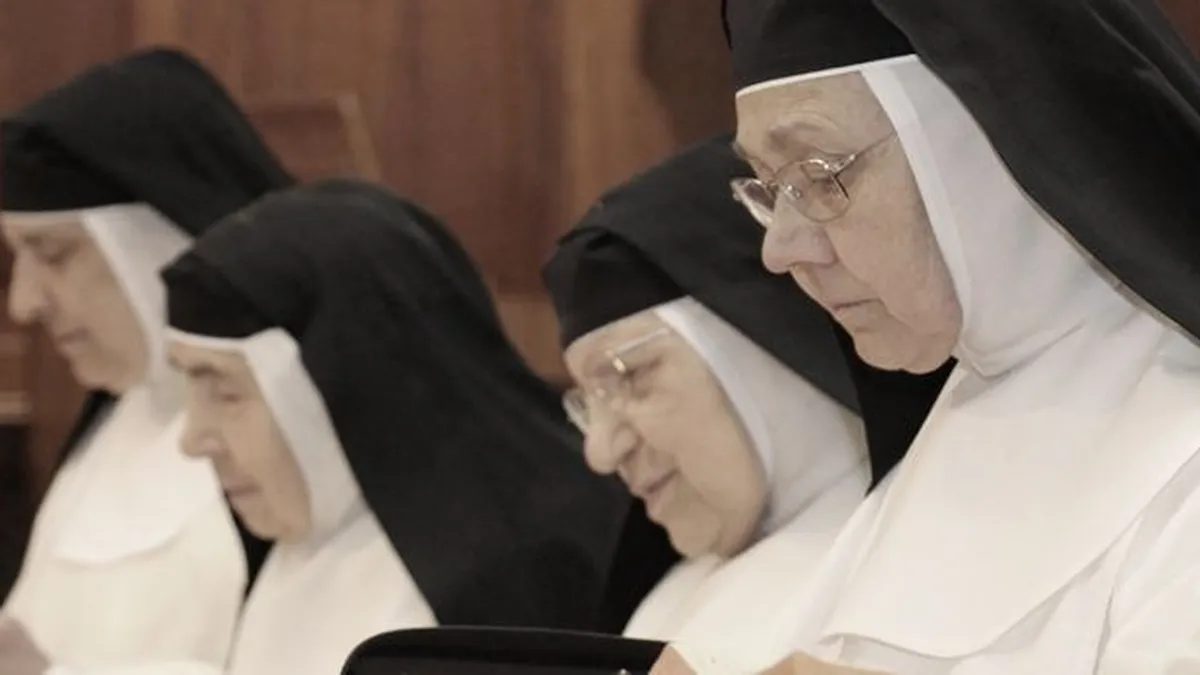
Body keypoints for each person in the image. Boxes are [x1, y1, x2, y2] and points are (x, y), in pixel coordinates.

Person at [657, 0, 1200, 671]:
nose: (780, 249)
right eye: (770, 187)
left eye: (818, 175)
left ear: (990, 144)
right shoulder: (937, 439)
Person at [161, 179, 654, 675]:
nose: (192, 440)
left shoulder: (515, 580)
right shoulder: (290, 541)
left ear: (346, 378)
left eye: (225, 392)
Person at [543, 135, 949, 669]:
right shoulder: (669, 597)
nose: (600, 450)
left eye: (628, 375)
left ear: (764, 344)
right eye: (587, 402)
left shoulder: (920, 562)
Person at [0, 48, 291, 674]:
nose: (23, 303)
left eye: (53, 254)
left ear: (158, 243)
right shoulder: (110, 423)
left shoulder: (294, 448)